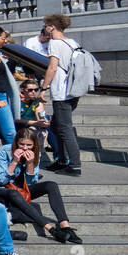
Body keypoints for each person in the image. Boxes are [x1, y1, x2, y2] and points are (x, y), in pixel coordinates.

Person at [0, 128, 81, 244]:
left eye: (29, 145)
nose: (25, 148)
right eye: (21, 144)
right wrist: (14, 161)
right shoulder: (3, 151)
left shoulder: (36, 153)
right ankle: (52, 230)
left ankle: (65, 226)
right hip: (5, 190)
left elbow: (31, 183)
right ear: (16, 143)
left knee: (51, 185)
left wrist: (30, 164)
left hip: (23, 190)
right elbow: (0, 180)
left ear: (34, 145)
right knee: (14, 194)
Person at [40, 13, 83, 176]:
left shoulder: (55, 43)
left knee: (64, 129)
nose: (45, 29)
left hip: (61, 93)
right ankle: (62, 160)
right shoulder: (72, 42)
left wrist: (43, 88)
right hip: (73, 91)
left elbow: (52, 68)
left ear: (52, 27)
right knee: (56, 126)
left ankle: (75, 165)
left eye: (46, 26)